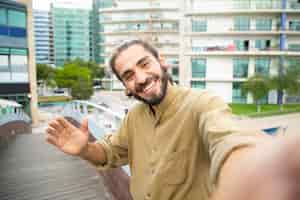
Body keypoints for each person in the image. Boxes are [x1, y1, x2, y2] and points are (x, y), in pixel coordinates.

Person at [46, 40, 300, 200]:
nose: (142, 78)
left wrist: (250, 171)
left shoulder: (202, 104)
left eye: (145, 64)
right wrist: (85, 150)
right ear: (125, 86)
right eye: (129, 75)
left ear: (162, 62)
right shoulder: (134, 117)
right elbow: (110, 151)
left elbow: (228, 139)